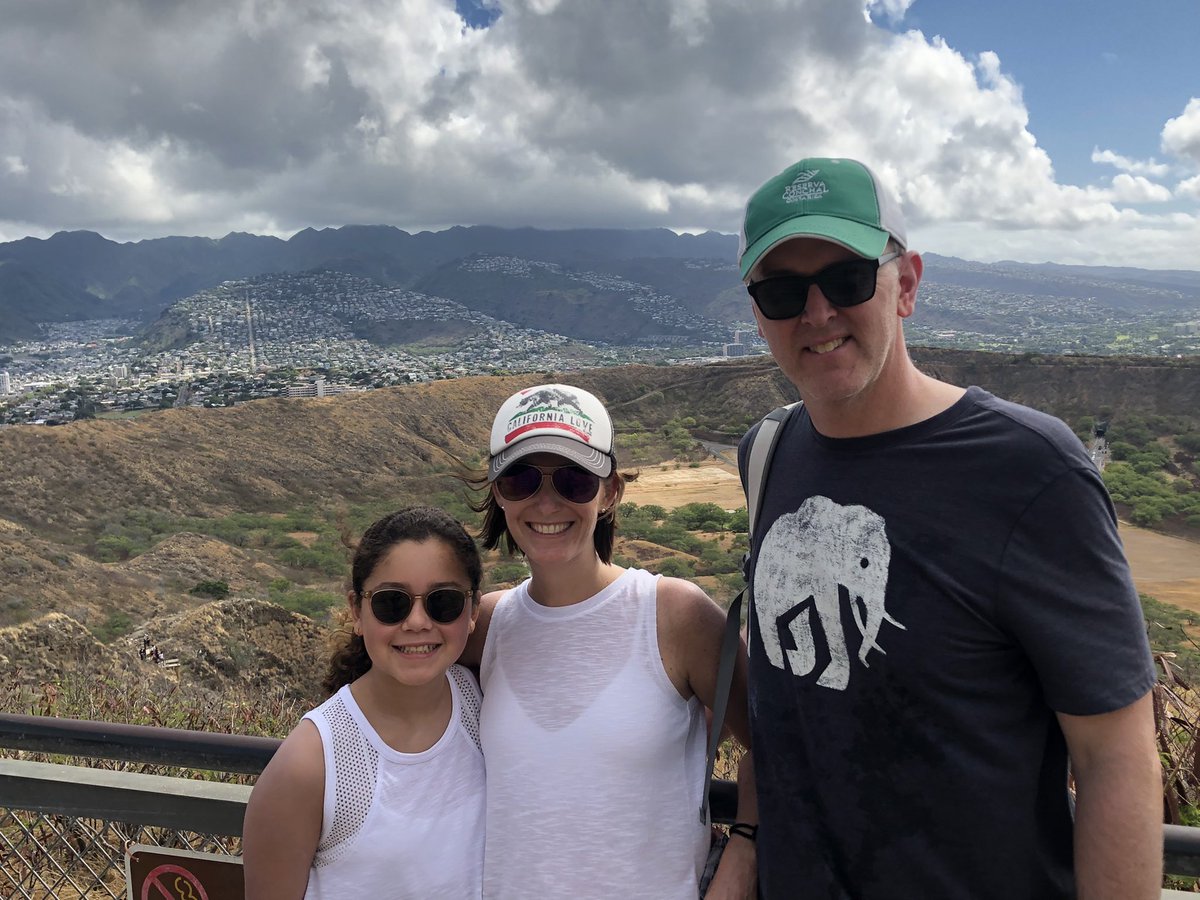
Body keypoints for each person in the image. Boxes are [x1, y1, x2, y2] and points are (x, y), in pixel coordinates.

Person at [734, 157, 1163, 899]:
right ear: (758, 314)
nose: (817, 313)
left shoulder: (1030, 470)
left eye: (847, 279)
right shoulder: (768, 454)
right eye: (781, 292)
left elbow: (1114, 757)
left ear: (906, 284)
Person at [459, 383, 756, 899]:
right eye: (522, 479)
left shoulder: (673, 615)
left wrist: (741, 858)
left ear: (610, 490)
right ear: (498, 491)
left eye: (574, 480)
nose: (546, 502)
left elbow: (774, 747)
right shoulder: (483, 626)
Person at [242, 507, 485, 899]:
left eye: (444, 602)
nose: (418, 622)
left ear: (473, 610)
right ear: (357, 611)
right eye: (392, 603)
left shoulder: (479, 702)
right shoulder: (311, 764)